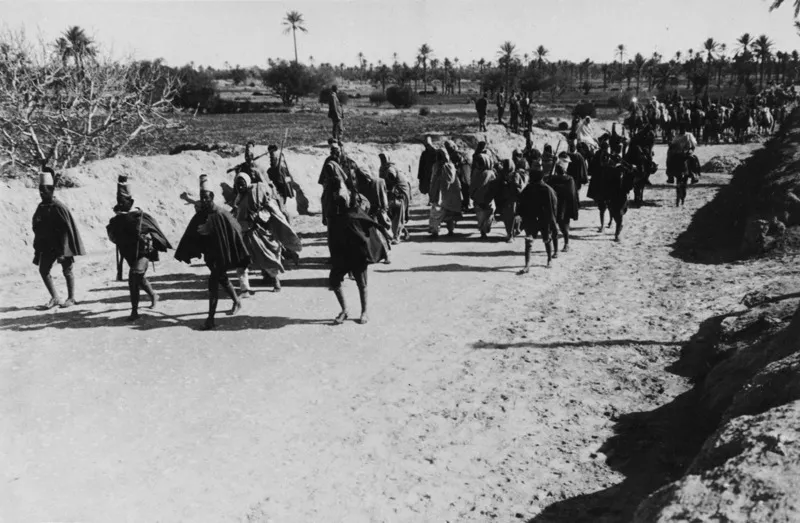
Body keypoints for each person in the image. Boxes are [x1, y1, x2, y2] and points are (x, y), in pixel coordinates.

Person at [321, 146, 389, 325]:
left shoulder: (350, 192)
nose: (329, 177)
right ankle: (344, 309)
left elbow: (362, 213)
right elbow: (329, 217)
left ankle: (364, 311)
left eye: (332, 174)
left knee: (361, 281)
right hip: (339, 244)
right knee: (334, 279)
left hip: (355, 242)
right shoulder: (329, 192)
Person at [175, 174, 249, 330]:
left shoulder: (221, 213)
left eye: (207, 198)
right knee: (222, 278)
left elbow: (235, 229)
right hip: (210, 255)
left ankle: (210, 319)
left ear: (212, 197)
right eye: (202, 198)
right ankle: (236, 301)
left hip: (222, 254)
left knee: (213, 282)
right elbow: (192, 232)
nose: (204, 201)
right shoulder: (201, 213)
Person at [106, 175, 171, 321]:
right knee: (139, 278)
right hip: (129, 254)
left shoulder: (140, 217)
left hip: (143, 254)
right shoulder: (117, 219)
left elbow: (155, 231)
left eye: (123, 201)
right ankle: (154, 295)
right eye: (119, 202)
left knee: (133, 278)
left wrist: (149, 240)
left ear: (131, 202)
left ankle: (134, 311)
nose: (121, 204)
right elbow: (112, 236)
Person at [231, 172, 302, 294]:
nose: (240, 187)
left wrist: (258, 216)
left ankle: (275, 280)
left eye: (242, 184)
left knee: (267, 258)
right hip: (244, 234)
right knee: (242, 261)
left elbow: (270, 209)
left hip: (258, 233)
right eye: (238, 185)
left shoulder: (256, 193)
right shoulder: (238, 198)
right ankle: (245, 288)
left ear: (247, 183)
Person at [32, 166, 86, 309]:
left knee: (67, 270)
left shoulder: (59, 207)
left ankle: (71, 298)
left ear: (51, 190)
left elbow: (66, 230)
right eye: (40, 192)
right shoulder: (41, 206)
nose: (42, 194)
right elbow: (36, 225)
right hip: (47, 245)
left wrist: (63, 250)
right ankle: (55, 297)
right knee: (43, 270)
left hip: (61, 245)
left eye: (44, 192)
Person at [516, 161, 558, 272]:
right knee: (529, 240)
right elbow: (522, 202)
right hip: (531, 218)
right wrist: (519, 214)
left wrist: (552, 222)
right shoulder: (529, 188)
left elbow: (551, 207)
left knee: (546, 239)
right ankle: (527, 265)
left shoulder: (546, 190)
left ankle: (549, 259)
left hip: (544, 219)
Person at [545, 152, 579, 253]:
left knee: (564, 227)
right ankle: (554, 247)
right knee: (553, 227)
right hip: (555, 206)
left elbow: (571, 193)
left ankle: (566, 243)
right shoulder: (553, 179)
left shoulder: (569, 179)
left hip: (564, 206)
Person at [428, 148, 462, 237]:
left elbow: (449, 180)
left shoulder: (446, 167)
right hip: (447, 194)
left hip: (443, 193)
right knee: (445, 212)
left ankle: (438, 231)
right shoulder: (447, 166)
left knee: (438, 213)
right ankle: (443, 231)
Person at [379, 153, 411, 243]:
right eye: (381, 159)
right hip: (394, 193)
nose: (382, 161)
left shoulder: (390, 169)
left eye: (384, 159)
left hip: (399, 194)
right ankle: (404, 232)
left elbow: (391, 181)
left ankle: (396, 237)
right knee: (393, 214)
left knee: (397, 213)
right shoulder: (384, 168)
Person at [469, 142, 497, 238]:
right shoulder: (487, 173)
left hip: (483, 198)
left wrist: (472, 195)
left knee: (483, 215)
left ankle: (483, 230)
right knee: (484, 215)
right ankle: (483, 231)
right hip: (483, 199)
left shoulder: (489, 173)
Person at [499, 158, 528, 242]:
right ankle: (514, 231)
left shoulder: (514, 175)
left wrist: (507, 184)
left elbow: (515, 186)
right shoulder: (505, 174)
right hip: (509, 199)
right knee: (510, 217)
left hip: (512, 199)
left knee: (510, 218)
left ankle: (511, 235)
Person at [444, 140, 472, 212]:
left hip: (463, 173)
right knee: (464, 189)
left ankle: (467, 204)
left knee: (465, 189)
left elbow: (459, 162)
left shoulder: (456, 154)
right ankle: (466, 204)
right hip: (461, 174)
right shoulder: (455, 153)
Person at [267, 144, 295, 211]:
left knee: (281, 209)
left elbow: (287, 182)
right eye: (270, 158)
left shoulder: (282, 169)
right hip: (273, 192)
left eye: (272, 158)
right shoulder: (269, 171)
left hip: (281, 192)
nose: (271, 160)